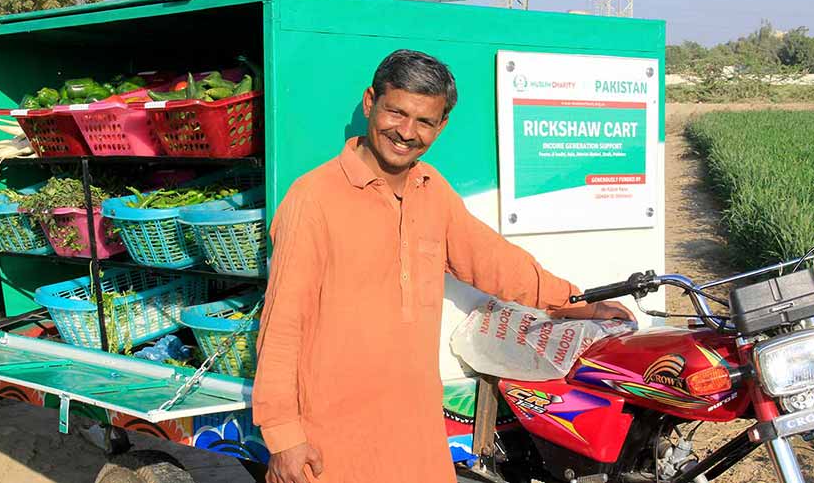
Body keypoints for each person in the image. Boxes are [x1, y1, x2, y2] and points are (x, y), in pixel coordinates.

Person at [253, 49, 635, 483]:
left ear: (442, 125)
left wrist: (579, 302)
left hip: (414, 432)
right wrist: (284, 438)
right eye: (396, 112)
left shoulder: (431, 190)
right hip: (331, 440)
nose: (406, 132)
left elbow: (496, 263)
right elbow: (282, 325)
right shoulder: (313, 200)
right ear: (369, 102)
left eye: (425, 121)